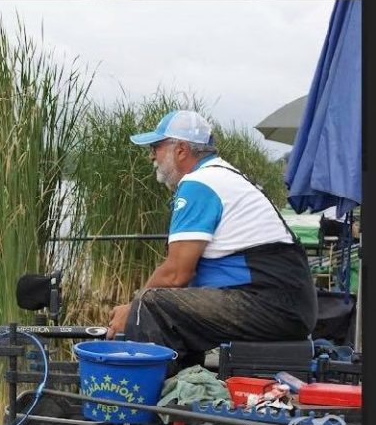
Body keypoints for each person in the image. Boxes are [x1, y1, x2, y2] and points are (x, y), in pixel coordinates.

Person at [107, 110, 318, 371]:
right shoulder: (223, 176)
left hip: (271, 303)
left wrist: (133, 309)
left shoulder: (200, 182)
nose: (152, 156)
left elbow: (176, 274)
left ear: (181, 150)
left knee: (152, 304)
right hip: (287, 304)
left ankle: (151, 403)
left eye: (156, 147)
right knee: (166, 305)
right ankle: (183, 389)